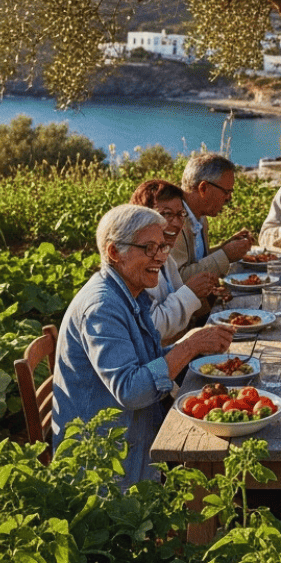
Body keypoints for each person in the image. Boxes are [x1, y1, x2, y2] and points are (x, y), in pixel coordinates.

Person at [52, 204, 235, 485]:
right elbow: (131, 390)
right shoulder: (102, 307)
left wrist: (193, 346)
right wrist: (188, 348)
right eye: (149, 248)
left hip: (136, 434)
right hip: (106, 465)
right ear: (114, 252)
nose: (160, 257)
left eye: (163, 247)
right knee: (214, 470)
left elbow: (145, 360)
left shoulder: (131, 292)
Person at [129, 179, 216, 344]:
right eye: (166, 214)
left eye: (180, 214)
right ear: (142, 216)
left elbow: (177, 299)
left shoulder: (165, 259)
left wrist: (205, 295)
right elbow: (150, 327)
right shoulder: (134, 264)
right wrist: (190, 292)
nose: (177, 224)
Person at [170, 153, 252, 282]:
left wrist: (225, 247)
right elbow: (178, 279)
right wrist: (225, 255)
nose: (229, 198)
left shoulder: (200, 216)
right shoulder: (173, 221)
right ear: (203, 188)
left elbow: (198, 262)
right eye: (226, 192)